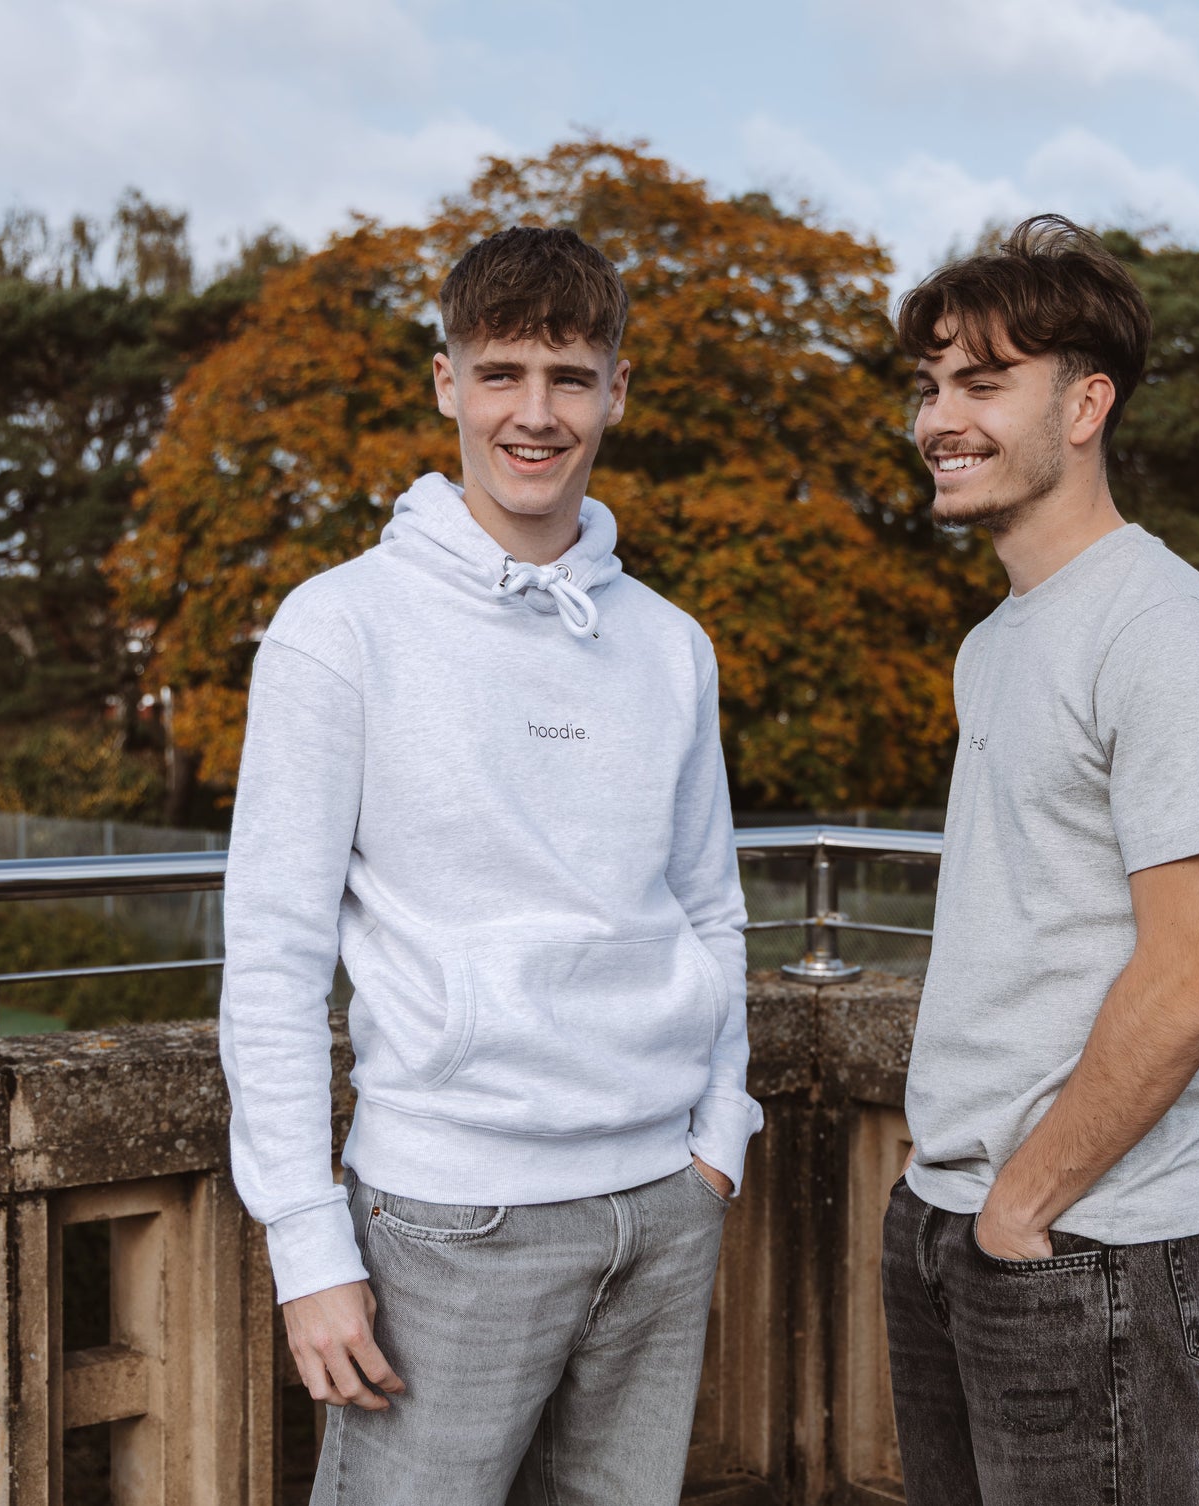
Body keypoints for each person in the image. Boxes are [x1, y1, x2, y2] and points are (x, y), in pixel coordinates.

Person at [217, 225, 760, 1506]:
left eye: (569, 377)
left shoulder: (669, 644)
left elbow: (709, 908)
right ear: (446, 383)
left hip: (662, 1205)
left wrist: (717, 1134)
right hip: (448, 1217)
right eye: (501, 372)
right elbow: (275, 953)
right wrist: (305, 1238)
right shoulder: (337, 627)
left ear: (615, 392)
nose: (535, 412)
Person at [883, 215, 1199, 1504]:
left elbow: (1191, 974)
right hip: (954, 1213)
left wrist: (1021, 1205)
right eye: (929, 385)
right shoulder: (996, 639)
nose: (939, 418)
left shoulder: (1164, 633)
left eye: (981, 383)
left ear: (1084, 404)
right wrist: (958, 1201)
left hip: (1085, 1235)